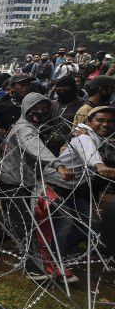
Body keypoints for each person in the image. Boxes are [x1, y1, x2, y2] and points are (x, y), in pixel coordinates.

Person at [0, 92, 75, 281]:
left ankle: (38, 261)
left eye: (43, 109)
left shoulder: (34, 127)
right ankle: (33, 266)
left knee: (26, 221)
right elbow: (35, 146)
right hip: (14, 183)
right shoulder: (24, 128)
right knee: (25, 224)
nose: (39, 112)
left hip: (27, 182)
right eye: (35, 108)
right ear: (25, 108)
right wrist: (58, 165)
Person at [43, 106, 115, 275]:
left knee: (94, 225)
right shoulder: (83, 136)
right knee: (65, 222)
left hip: (74, 189)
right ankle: (53, 262)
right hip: (55, 185)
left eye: (111, 121)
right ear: (89, 122)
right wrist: (99, 165)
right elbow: (88, 150)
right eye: (100, 120)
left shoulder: (103, 140)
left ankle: (54, 252)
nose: (106, 124)